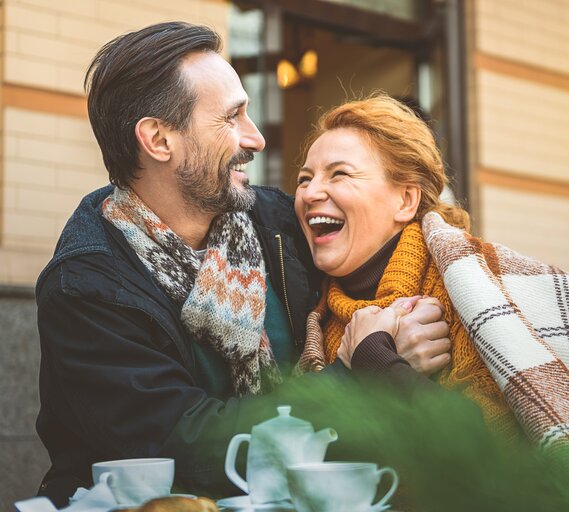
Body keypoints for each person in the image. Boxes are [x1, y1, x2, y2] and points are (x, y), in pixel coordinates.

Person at [35, 23, 449, 506]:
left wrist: (417, 308)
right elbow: (188, 447)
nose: (255, 138)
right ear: (158, 139)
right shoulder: (86, 286)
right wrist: (356, 376)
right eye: (232, 118)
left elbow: (377, 242)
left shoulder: (275, 222)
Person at [294, 94, 569, 460]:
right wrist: (356, 367)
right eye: (304, 179)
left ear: (405, 200)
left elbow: (487, 459)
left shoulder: (475, 293)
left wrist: (374, 359)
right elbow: (283, 448)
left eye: (339, 174)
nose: (311, 192)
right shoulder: (310, 310)